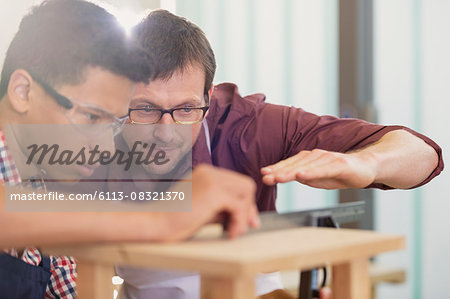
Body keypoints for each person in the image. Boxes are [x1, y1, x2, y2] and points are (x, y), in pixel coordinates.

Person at [114, 9, 444, 299]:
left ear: (209, 96)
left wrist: (367, 163)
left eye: (187, 109)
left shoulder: (249, 126)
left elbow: (423, 154)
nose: (166, 131)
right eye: (145, 109)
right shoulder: (89, 135)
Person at [0, 1, 259, 298]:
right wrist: (161, 219)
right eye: (91, 117)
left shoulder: (37, 187)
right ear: (23, 91)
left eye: (112, 124)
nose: (104, 148)